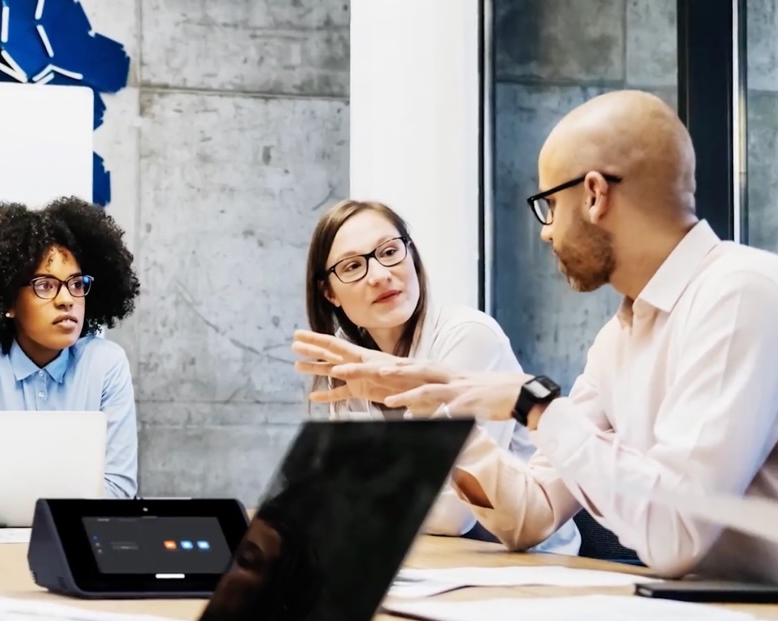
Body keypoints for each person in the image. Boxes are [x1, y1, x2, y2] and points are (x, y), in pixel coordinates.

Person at [302, 90, 778, 582]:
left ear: (594, 194)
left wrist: (533, 404)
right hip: (705, 614)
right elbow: (531, 516)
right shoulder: (618, 339)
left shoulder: (741, 293)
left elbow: (675, 535)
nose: (545, 232)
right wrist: (436, 405)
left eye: (549, 204)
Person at [298, 199, 579, 554]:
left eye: (389, 251)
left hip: (527, 564)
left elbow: (453, 514)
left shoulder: (468, 336)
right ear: (329, 292)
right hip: (424, 560)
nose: (380, 274)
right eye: (353, 266)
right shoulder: (343, 358)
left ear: (411, 255)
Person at [0, 197, 141, 498]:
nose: (67, 299)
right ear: (8, 301)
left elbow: (118, 488)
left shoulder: (105, 363)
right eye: (45, 285)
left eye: (76, 284)